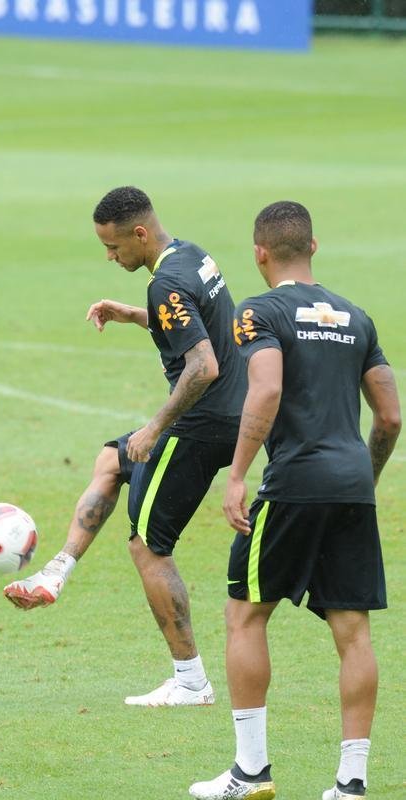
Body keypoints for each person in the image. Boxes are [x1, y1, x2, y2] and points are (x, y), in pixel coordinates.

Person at [189, 201, 401, 799]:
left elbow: (268, 388)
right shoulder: (356, 319)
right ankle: (351, 784)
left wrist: (236, 475)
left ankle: (250, 772)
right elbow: (389, 416)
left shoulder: (259, 311)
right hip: (352, 486)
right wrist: (364, 475)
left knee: (246, 613)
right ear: (314, 247)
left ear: (260, 253)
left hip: (294, 483)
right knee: (353, 631)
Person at [4, 186, 247, 707]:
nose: (110, 258)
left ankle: (190, 682)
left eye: (114, 248)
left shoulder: (167, 283)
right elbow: (201, 321)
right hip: (233, 414)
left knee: (148, 548)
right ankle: (57, 573)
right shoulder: (193, 255)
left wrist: (156, 425)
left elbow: (204, 365)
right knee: (111, 460)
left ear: (140, 234)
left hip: (202, 426)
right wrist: (136, 314)